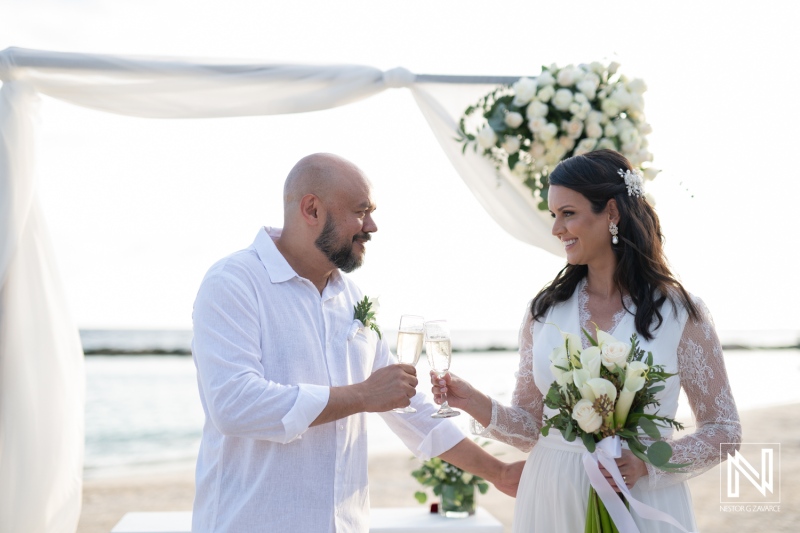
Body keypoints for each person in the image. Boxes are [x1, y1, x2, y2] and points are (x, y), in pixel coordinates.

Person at [190, 153, 523, 533]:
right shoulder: (233, 283)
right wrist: (361, 396)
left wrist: (499, 472)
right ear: (312, 209)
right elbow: (235, 405)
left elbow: (408, 406)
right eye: (361, 211)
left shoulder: (351, 297)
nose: (373, 226)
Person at [431, 149, 742, 532]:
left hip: (642, 497)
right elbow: (530, 428)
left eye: (568, 213)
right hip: (551, 493)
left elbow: (724, 430)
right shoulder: (543, 312)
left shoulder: (681, 313)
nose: (556, 229)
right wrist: (471, 401)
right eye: (553, 215)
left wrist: (648, 463)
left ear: (611, 212)